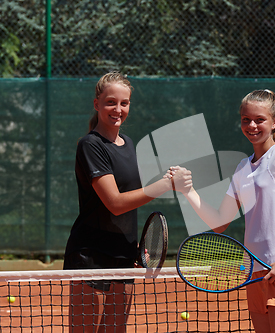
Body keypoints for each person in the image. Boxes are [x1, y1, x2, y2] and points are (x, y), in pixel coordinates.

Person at [172, 89, 275, 333]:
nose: (252, 125)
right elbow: (220, 222)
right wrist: (188, 192)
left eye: (259, 119)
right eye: (246, 119)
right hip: (255, 273)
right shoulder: (243, 167)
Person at [63, 72, 191, 333]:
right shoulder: (91, 145)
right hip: (90, 255)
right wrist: (166, 184)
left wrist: (131, 247)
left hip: (122, 254)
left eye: (124, 103)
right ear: (97, 103)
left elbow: (129, 204)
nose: (118, 109)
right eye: (111, 102)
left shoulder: (128, 143)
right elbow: (115, 203)